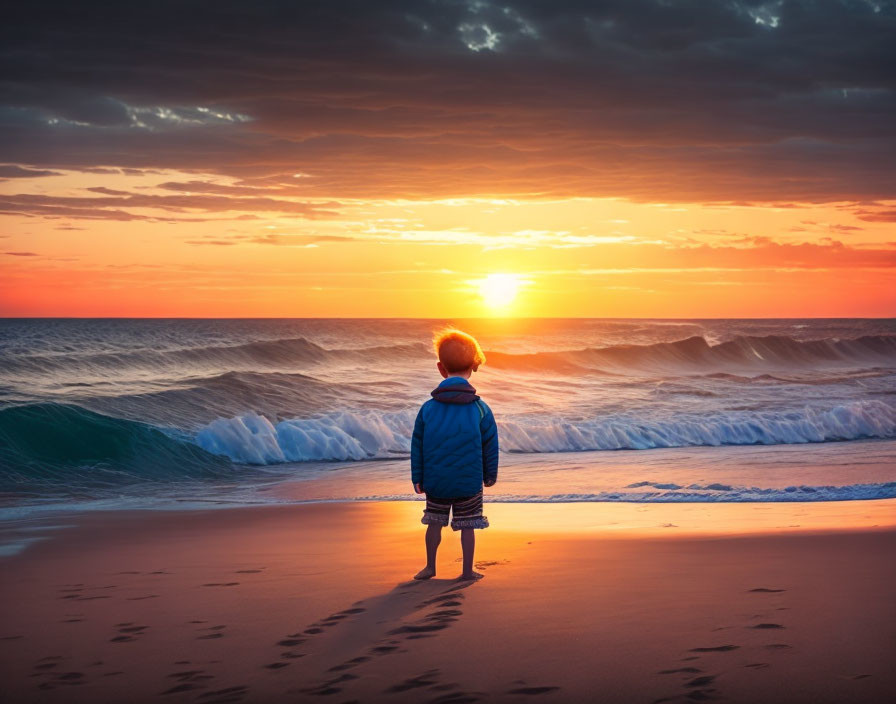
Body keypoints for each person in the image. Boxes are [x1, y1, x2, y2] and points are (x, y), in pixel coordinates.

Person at [411, 328, 499, 581]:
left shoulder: (427, 409)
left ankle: (430, 567)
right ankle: (467, 570)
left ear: (441, 368)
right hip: (469, 481)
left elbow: (417, 444)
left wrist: (418, 476)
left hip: (436, 480)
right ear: (473, 366)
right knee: (468, 525)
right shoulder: (480, 409)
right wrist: (489, 475)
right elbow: (489, 445)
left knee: (434, 523)